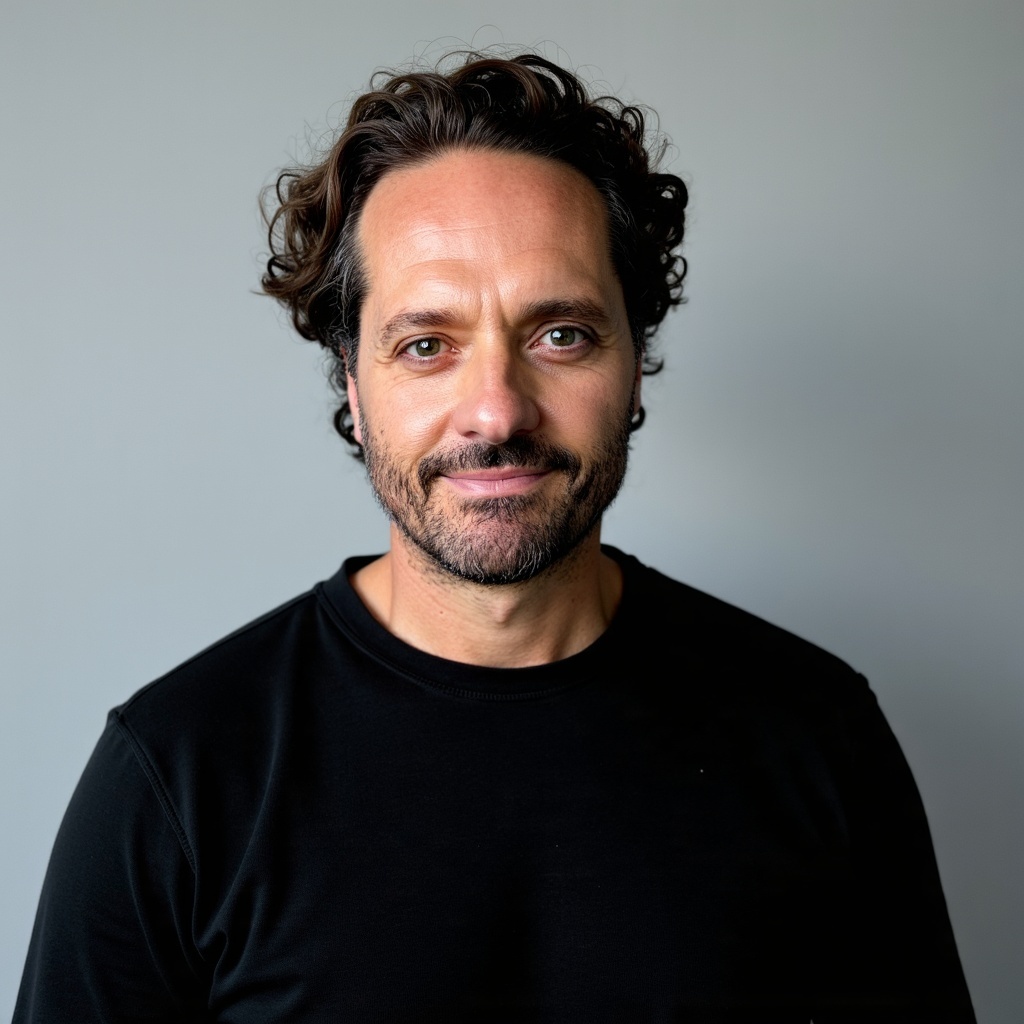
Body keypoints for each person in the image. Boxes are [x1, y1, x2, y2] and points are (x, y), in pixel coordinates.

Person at [15, 52, 975, 1022]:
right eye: (426, 345)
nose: (497, 410)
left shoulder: (817, 736)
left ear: (636, 361)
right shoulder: (179, 773)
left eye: (560, 335)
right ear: (353, 384)